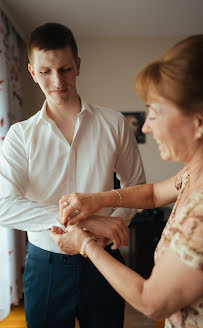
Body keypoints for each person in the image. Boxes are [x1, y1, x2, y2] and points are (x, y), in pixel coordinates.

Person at [0, 22, 145, 328]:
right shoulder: (20, 135)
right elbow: (4, 207)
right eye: (46, 72)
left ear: (77, 66)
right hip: (46, 265)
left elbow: (136, 186)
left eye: (64, 69)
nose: (57, 81)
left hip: (104, 259)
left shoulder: (114, 123)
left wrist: (109, 226)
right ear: (33, 72)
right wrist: (86, 220)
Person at [51, 35, 203, 328]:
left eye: (155, 113)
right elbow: (152, 195)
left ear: (198, 122)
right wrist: (99, 198)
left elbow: (152, 302)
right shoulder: (191, 173)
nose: (146, 126)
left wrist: (85, 244)